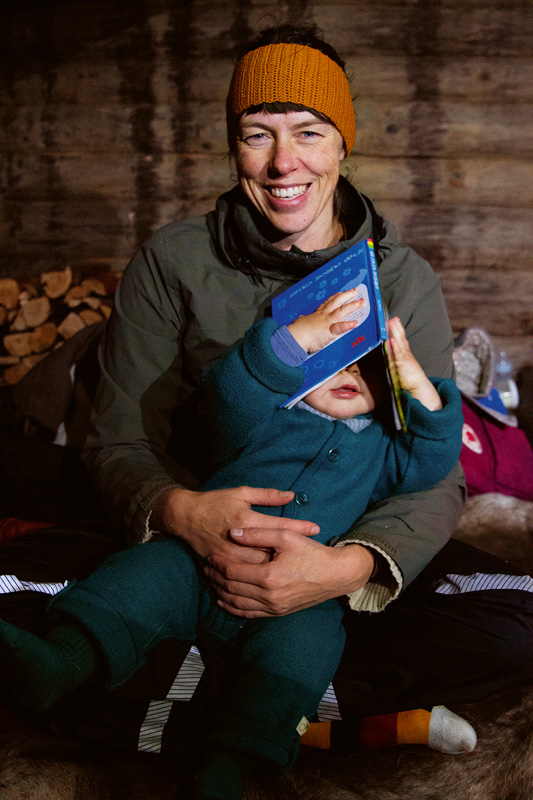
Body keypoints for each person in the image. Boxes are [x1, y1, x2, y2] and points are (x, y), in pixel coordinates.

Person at [2, 18, 529, 799]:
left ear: (342, 143)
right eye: (258, 135)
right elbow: (116, 442)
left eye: (308, 132)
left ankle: (197, 698)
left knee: (517, 621)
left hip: (331, 543)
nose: (285, 162)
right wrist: (183, 514)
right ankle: (268, 718)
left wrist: (344, 570)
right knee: (38, 592)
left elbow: (432, 472)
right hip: (183, 539)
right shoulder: (173, 260)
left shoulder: (402, 279)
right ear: (233, 145)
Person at [0, 301, 470, 800]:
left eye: (368, 364)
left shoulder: (383, 448)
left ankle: (229, 759)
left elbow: (432, 460)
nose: (351, 371)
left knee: (306, 651)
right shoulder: (270, 413)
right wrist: (290, 342)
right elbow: (229, 396)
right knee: (140, 574)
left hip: (296, 599)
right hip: (198, 562)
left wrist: (417, 383)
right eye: (335, 354)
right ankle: (61, 662)